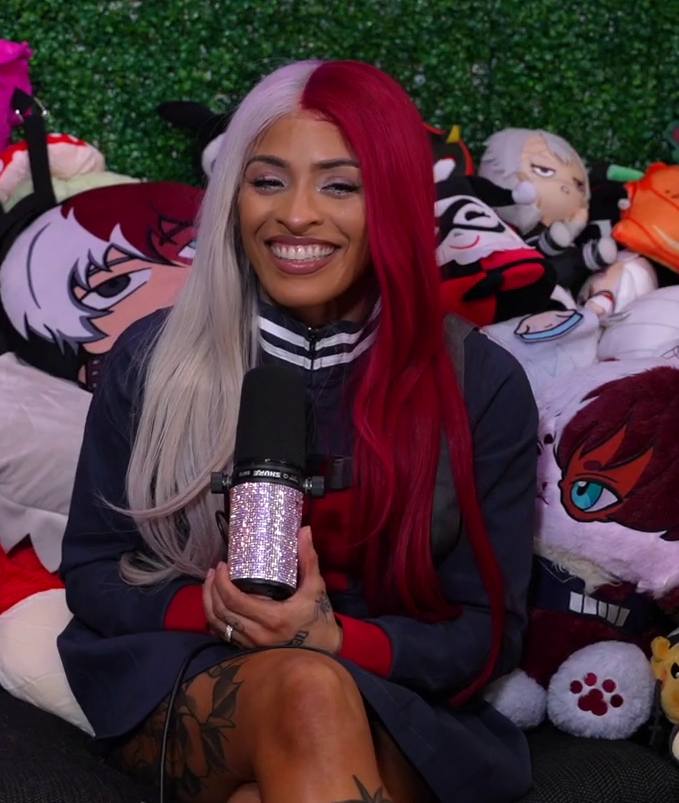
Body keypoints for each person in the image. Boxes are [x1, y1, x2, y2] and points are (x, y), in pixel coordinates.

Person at [59, 60, 538, 803]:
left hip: (388, 689)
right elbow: (94, 570)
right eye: (268, 180)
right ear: (234, 196)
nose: (296, 215)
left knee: (302, 719)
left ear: (395, 203)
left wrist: (328, 638)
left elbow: (487, 632)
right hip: (186, 667)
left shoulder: (483, 384)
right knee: (307, 691)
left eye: (340, 186)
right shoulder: (151, 357)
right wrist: (225, 612)